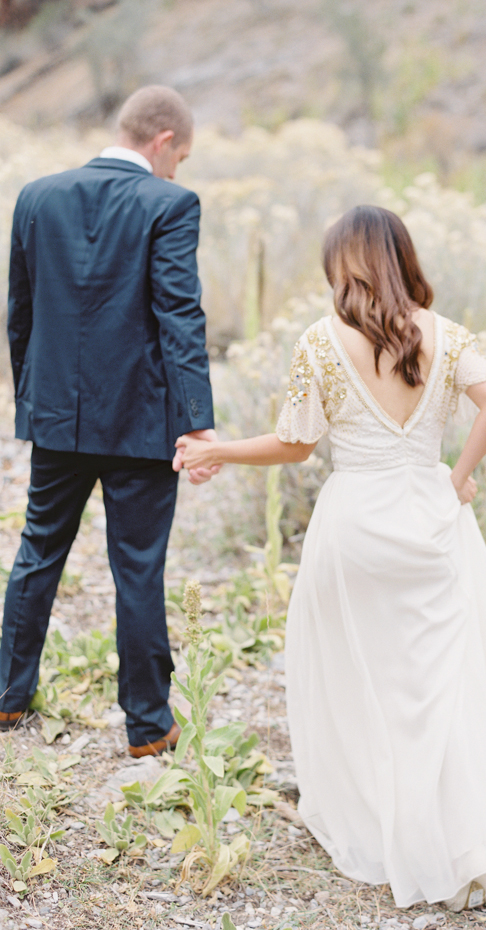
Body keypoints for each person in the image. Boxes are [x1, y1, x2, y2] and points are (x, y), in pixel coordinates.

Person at [174, 205, 486, 914]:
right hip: (430, 519)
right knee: (438, 690)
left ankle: (384, 831)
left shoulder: (320, 342)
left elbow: (296, 445)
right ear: (401, 257)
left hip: (355, 524)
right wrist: (457, 476)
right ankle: (460, 848)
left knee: (359, 685)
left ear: (344, 265)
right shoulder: (446, 336)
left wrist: (218, 450)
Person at [2, 85, 219, 757]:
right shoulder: (171, 204)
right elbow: (180, 318)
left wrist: (32, 403)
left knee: (38, 552)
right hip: (142, 426)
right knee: (137, 568)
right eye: (178, 156)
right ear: (160, 143)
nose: (177, 170)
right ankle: (148, 724)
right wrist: (198, 423)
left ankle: (7, 698)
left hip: (58, 421)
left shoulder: (37, 196)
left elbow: (21, 314)